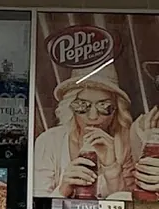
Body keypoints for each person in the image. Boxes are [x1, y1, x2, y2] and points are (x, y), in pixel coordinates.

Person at [34, 64, 134, 198]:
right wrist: (63, 189)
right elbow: (37, 204)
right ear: (70, 107)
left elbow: (127, 203)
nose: (93, 116)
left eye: (104, 106)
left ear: (116, 109)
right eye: (82, 105)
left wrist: (112, 169)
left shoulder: (125, 144)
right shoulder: (50, 142)